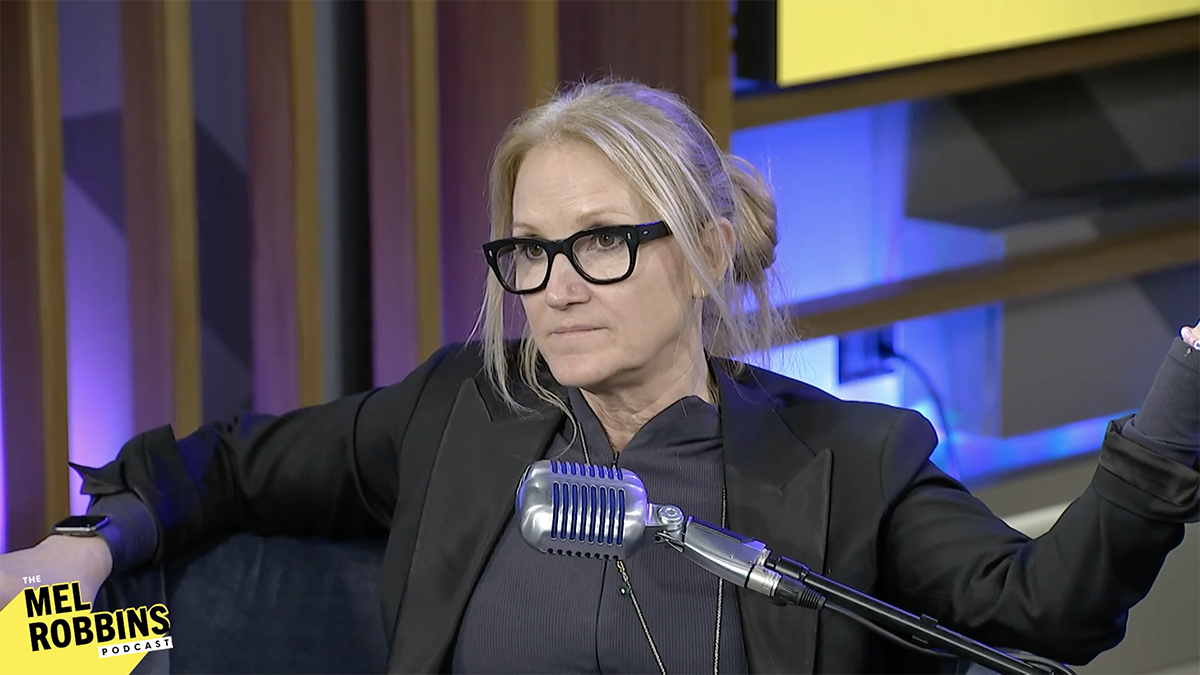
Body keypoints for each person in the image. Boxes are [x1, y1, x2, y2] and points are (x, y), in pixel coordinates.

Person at [2, 80, 1199, 675]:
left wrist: (1185, 387)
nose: (556, 287)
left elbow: (1047, 610)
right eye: (529, 250)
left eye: (603, 244)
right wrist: (87, 548)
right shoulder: (465, 409)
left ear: (707, 252)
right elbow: (231, 468)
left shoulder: (847, 461)